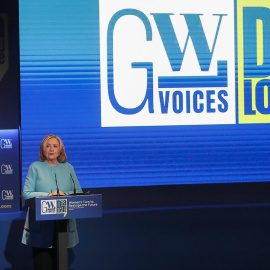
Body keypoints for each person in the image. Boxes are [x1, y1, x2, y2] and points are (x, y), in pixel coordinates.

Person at [21, 134, 83, 270]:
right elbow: (26, 193)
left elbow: (78, 192)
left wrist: (64, 194)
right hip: (41, 228)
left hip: (63, 225)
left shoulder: (68, 168)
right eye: (47, 146)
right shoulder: (35, 167)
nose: (51, 149)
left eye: (55, 146)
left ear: (60, 150)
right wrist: (48, 195)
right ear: (43, 150)